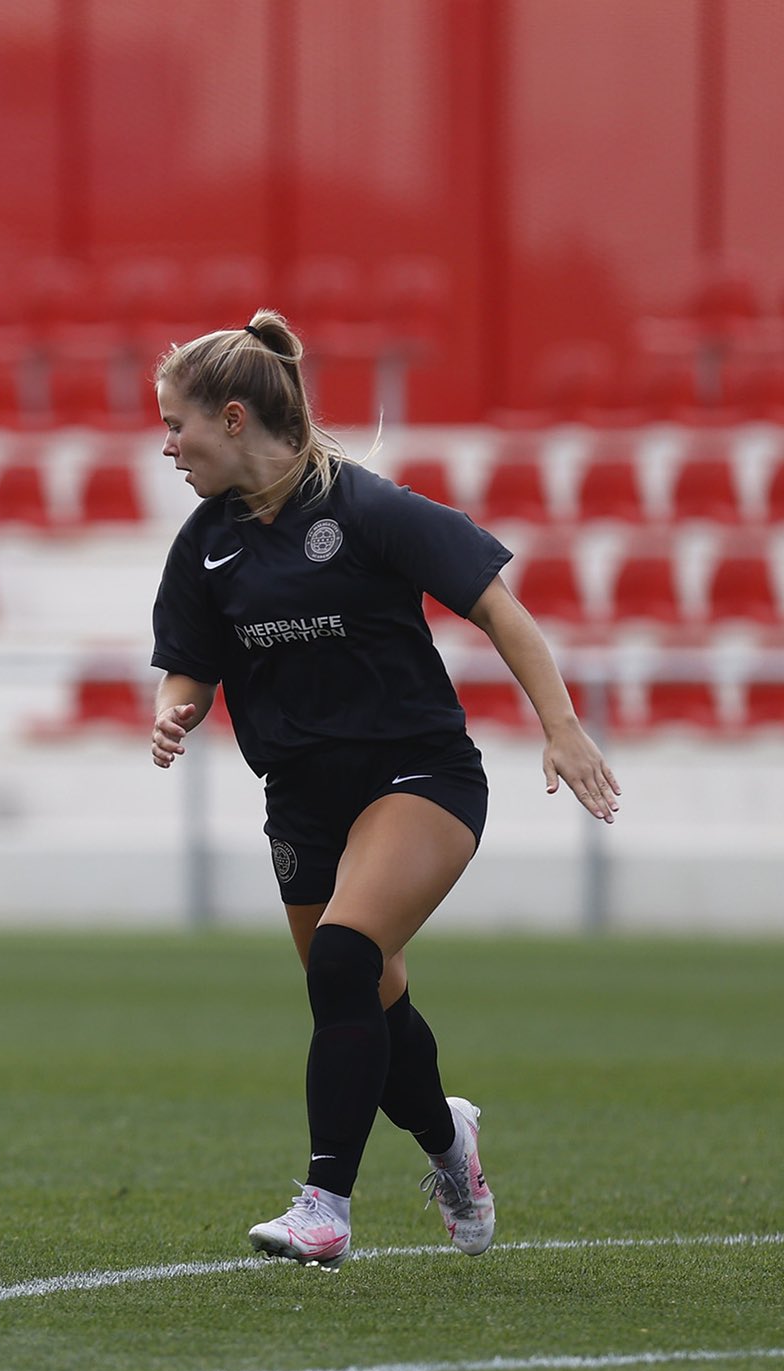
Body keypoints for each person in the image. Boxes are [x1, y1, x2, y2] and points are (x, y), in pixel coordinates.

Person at [147, 310, 621, 1271]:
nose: (166, 445)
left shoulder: (367, 509)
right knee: (368, 1002)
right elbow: (189, 664)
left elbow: (501, 611)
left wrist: (561, 728)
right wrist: (177, 708)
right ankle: (450, 1146)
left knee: (341, 957)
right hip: (302, 799)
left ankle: (325, 1205)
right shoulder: (205, 544)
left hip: (421, 776)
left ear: (233, 418)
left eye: (176, 424)